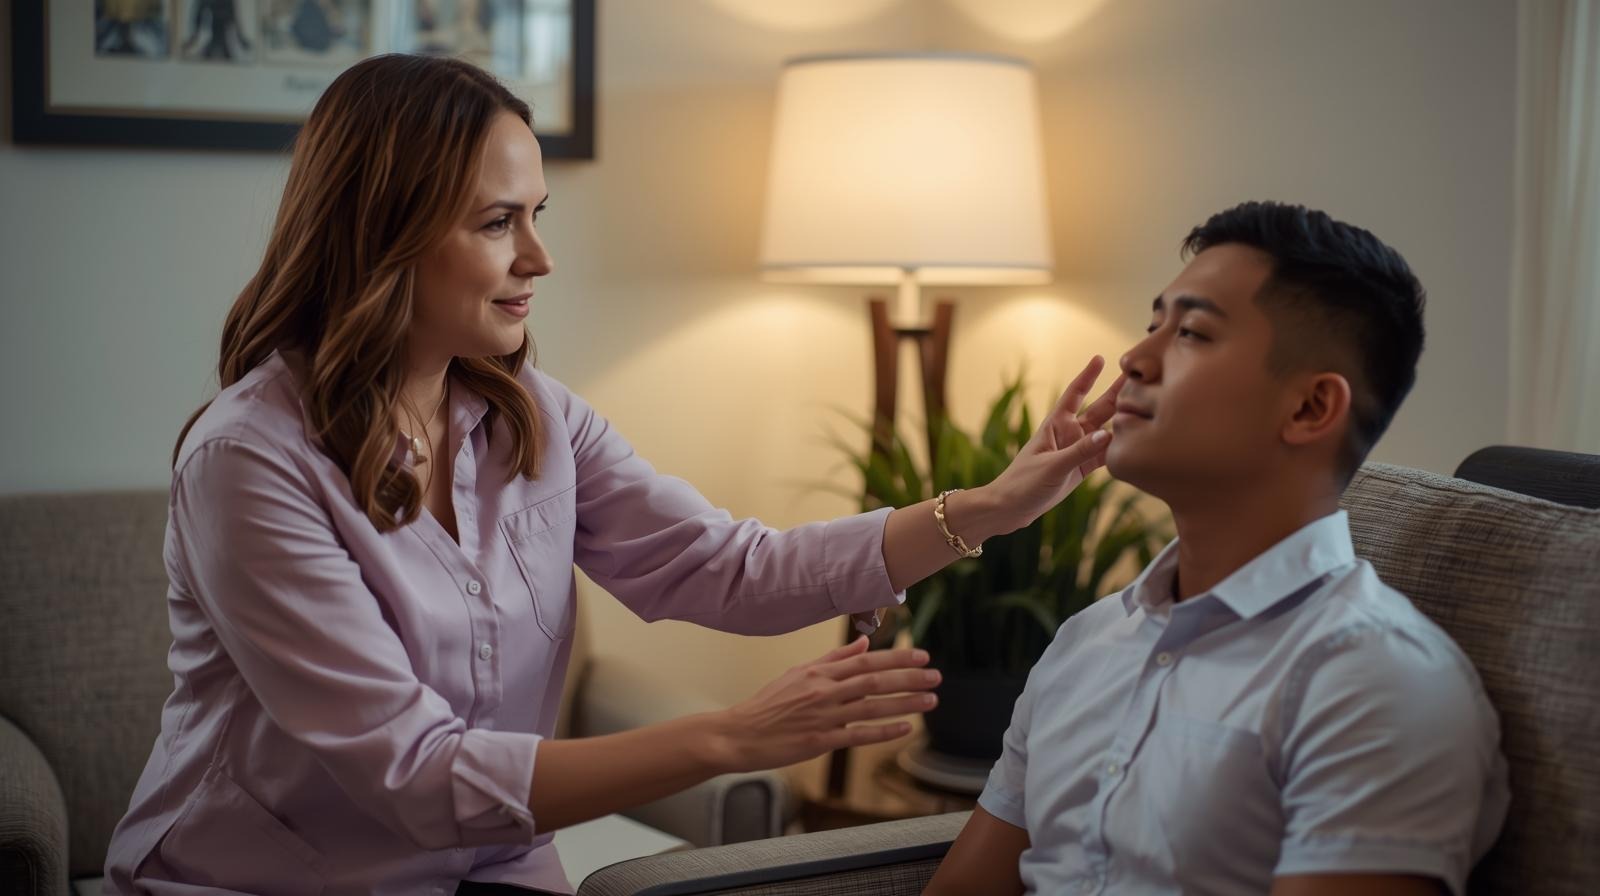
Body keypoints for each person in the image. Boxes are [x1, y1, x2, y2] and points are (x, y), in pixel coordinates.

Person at [102, 54, 1122, 895]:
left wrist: (984, 509)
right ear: (384, 233)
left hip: (493, 866)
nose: (539, 258)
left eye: (536, 213)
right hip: (268, 880)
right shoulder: (249, 461)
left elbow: (729, 566)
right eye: (498, 222)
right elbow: (411, 773)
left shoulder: (530, 416)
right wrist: (730, 734)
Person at [924, 202, 1509, 896]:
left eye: (1193, 333)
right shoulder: (1088, 642)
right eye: (1152, 326)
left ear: (1310, 409)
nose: (1134, 358)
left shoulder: (1375, 683)